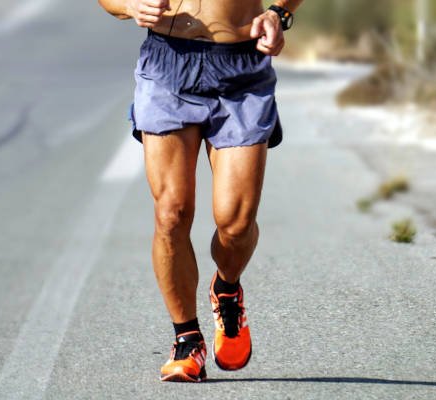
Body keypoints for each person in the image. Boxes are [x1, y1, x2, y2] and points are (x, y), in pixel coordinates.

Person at [97, 0, 302, 382]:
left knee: (236, 224)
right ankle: (187, 339)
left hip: (242, 66)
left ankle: (226, 288)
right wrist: (128, 5)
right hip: (167, 65)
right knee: (171, 213)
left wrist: (279, 12)